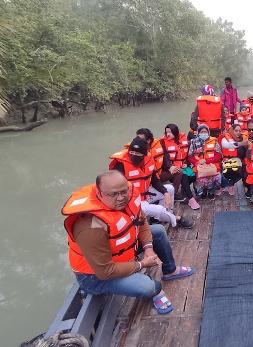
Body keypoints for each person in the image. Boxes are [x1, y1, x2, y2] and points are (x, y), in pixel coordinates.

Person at [61, 170, 194, 315]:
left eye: (123, 192)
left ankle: (170, 270)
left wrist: (148, 248)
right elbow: (105, 271)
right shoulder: (90, 226)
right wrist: (141, 264)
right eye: (113, 194)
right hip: (96, 276)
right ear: (99, 194)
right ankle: (154, 289)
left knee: (158, 231)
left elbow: (142, 222)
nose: (121, 198)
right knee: (149, 287)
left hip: (123, 253)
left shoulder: (129, 195)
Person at [110, 137, 193, 228]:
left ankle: (161, 217)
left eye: (138, 153)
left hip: (145, 195)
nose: (134, 156)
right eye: (132, 152)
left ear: (144, 155)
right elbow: (115, 190)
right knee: (158, 210)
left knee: (169, 189)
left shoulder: (149, 160)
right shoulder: (120, 165)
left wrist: (165, 193)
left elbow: (155, 181)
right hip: (130, 202)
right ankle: (175, 219)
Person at [160, 124, 200, 211]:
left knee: (193, 175)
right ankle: (191, 199)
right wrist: (170, 167)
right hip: (171, 169)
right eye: (166, 132)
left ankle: (184, 191)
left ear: (176, 132)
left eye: (170, 132)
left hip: (184, 166)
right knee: (184, 176)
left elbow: (188, 154)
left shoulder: (184, 139)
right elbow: (164, 157)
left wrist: (188, 163)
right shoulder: (163, 142)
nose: (168, 134)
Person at [188, 125, 222, 199]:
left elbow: (219, 156)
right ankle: (202, 191)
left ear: (208, 132)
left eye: (205, 132)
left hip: (212, 165)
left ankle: (211, 191)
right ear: (198, 133)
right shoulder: (193, 142)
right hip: (199, 166)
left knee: (217, 177)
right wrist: (197, 162)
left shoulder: (214, 141)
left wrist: (206, 161)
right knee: (199, 178)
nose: (204, 133)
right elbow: (190, 156)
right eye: (202, 132)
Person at [220, 123, 248, 195]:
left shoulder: (242, 139)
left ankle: (231, 185)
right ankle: (224, 185)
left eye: (239, 131)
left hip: (236, 160)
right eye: (236, 130)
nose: (238, 132)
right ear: (232, 130)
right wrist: (241, 143)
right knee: (225, 172)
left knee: (240, 172)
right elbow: (229, 145)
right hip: (226, 159)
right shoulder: (225, 139)